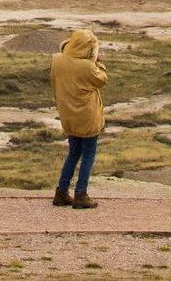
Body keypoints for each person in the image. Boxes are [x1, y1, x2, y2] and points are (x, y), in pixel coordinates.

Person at [49, 29, 107, 209]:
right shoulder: (86, 67)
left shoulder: (57, 61)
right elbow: (101, 80)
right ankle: (81, 194)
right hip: (87, 116)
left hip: (69, 115)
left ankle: (61, 191)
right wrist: (98, 63)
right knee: (88, 153)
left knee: (73, 152)